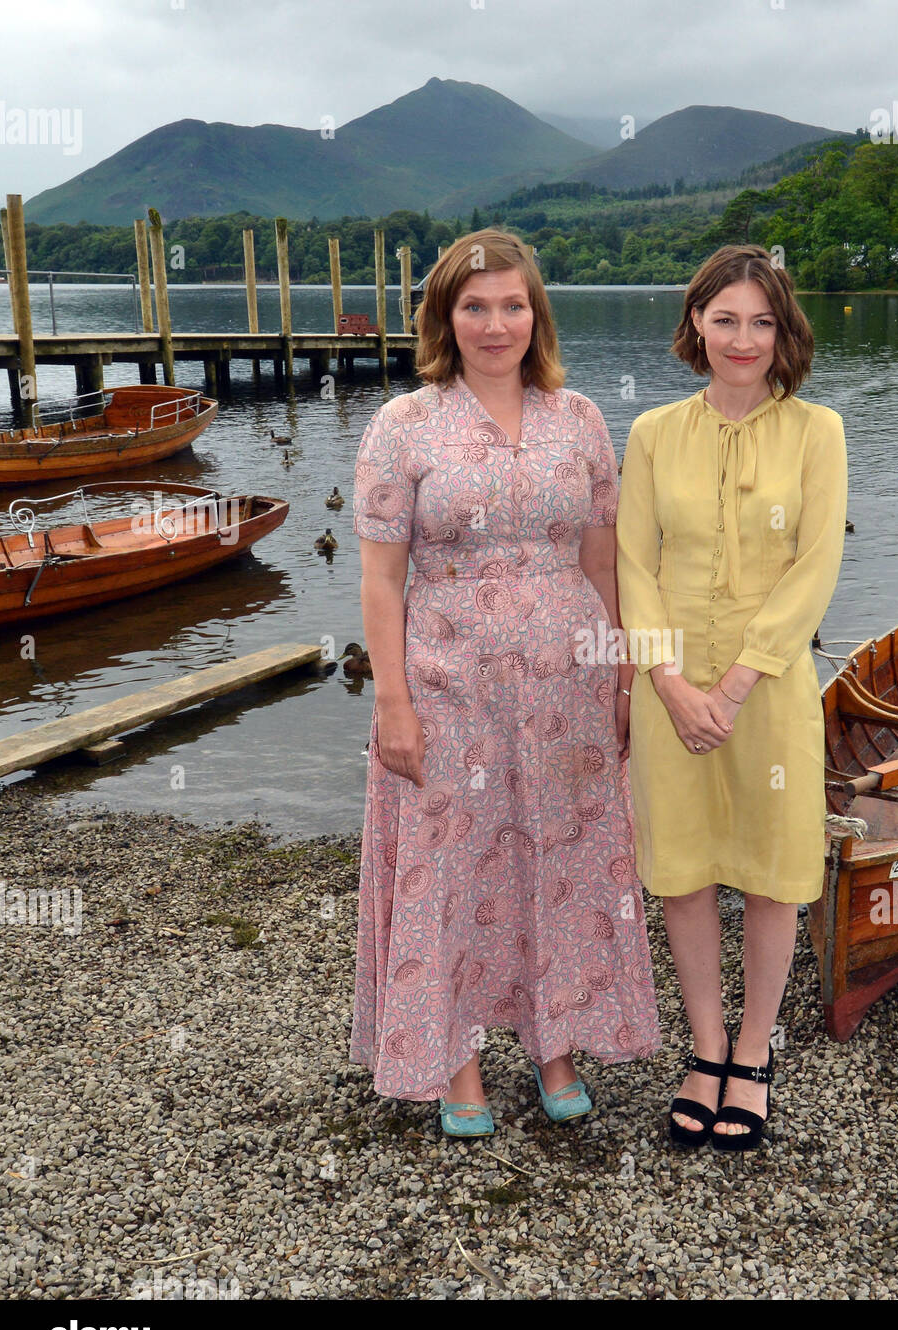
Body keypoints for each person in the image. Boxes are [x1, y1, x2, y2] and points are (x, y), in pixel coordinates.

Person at [349, 229, 661, 1138]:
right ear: (447, 316)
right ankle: (453, 1055)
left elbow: (601, 562)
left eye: (512, 304)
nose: (496, 323)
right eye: (475, 306)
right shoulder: (403, 426)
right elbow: (378, 580)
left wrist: (621, 679)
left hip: (567, 682)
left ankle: (554, 1041)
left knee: (558, 858)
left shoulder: (582, 420)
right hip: (449, 682)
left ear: (537, 313)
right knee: (450, 863)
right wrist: (393, 701)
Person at [616, 244, 847, 1150]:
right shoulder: (650, 435)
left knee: (768, 875)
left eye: (760, 321)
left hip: (772, 689)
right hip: (668, 688)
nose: (742, 339)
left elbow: (817, 562)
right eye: (724, 320)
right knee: (682, 871)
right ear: (696, 327)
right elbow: (635, 565)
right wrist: (668, 682)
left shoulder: (816, 432)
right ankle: (704, 1046)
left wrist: (742, 678)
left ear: (783, 331)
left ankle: (754, 1049)